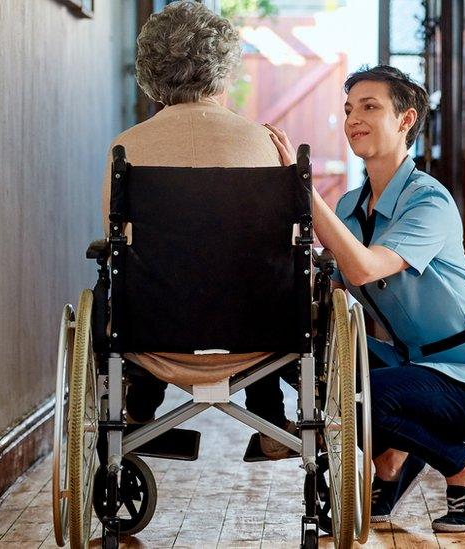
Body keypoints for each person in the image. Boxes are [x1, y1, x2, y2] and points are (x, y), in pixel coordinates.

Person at [267, 65, 465, 532]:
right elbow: (339, 292)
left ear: (406, 120)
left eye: (369, 107)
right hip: (413, 368)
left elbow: (363, 266)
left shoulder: (430, 202)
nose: (353, 119)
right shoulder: (349, 207)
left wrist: (301, 187)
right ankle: (391, 461)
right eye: (348, 109)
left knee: (361, 394)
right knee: (306, 359)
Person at [101, 0, 296, 459]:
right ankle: (270, 422)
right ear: (224, 68)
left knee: (142, 275)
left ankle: (139, 414)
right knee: (262, 278)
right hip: (257, 332)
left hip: (153, 332)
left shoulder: (126, 149)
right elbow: (281, 246)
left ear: (151, 69)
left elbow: (119, 241)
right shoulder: (264, 144)